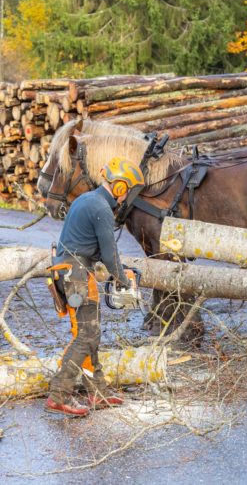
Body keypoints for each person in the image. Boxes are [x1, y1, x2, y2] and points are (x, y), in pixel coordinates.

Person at [44, 157, 144, 417]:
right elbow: (110, 255)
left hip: (71, 270)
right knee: (86, 336)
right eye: (127, 191)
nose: (125, 198)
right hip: (76, 274)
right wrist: (122, 279)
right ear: (121, 187)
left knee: (92, 333)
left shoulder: (86, 199)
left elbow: (92, 247)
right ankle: (58, 394)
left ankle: (97, 392)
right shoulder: (101, 208)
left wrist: (116, 272)